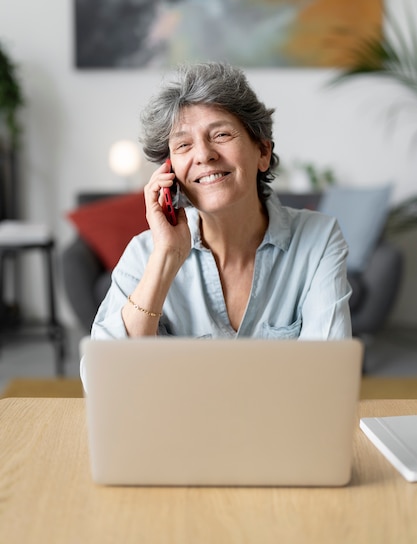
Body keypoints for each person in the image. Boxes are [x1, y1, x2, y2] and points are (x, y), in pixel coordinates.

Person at [91, 61, 352, 342]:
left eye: (221, 135)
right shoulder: (145, 254)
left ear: (262, 152)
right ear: (170, 172)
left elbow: (326, 372)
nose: (204, 155)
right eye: (183, 145)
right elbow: (102, 378)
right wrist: (166, 258)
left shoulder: (320, 238)